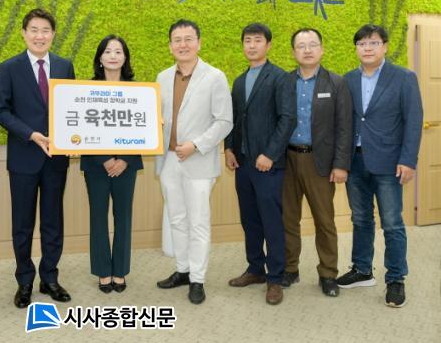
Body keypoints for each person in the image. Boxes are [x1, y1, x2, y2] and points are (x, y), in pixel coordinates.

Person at [0, 8, 75, 308]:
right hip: (24, 157)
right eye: (34, 30)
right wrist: (31, 134)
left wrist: (74, 138)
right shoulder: (9, 68)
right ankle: (25, 281)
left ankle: (50, 277)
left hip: (56, 158)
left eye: (45, 30)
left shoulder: (65, 66)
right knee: (23, 224)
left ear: (53, 34)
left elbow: (72, 107)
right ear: (24, 33)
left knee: (53, 221)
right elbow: (0, 110)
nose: (40, 36)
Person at [336, 24, 423, 308]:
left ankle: (396, 279)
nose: (367, 48)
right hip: (355, 161)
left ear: (384, 46)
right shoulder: (348, 79)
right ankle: (362, 269)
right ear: (356, 49)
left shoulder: (404, 77)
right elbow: (345, 122)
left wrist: (408, 160)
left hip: (389, 162)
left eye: (373, 43)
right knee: (360, 219)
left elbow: (413, 121)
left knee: (392, 223)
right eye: (362, 44)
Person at [155, 19, 233, 305]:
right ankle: (183, 269)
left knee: (198, 221)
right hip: (168, 159)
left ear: (199, 43)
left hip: (198, 160)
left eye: (188, 39)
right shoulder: (162, 77)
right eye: (177, 40)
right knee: (176, 217)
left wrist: (196, 145)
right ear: (170, 46)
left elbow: (224, 121)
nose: (183, 44)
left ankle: (198, 279)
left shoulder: (214, 77)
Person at [224, 22, 296, 305]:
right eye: (247, 40)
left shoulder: (280, 78)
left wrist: (270, 154)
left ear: (268, 45)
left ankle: (275, 277)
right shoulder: (239, 80)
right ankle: (255, 269)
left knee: (271, 221)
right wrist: (229, 148)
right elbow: (233, 119)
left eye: (257, 40)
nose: (251, 45)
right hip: (243, 164)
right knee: (250, 219)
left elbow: (287, 119)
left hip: (268, 165)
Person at [280, 28, 352, 297]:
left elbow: (345, 126)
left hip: (319, 161)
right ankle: (290, 268)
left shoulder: (336, 83)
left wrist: (341, 164)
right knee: (288, 218)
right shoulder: (284, 82)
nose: (307, 50)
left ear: (321, 49)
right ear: (293, 52)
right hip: (286, 160)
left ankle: (328, 273)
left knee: (324, 220)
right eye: (301, 46)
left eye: (312, 44)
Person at [80, 35, 143, 294]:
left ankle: (120, 271)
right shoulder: (86, 90)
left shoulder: (139, 90)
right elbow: (82, 127)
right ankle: (103, 271)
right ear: (100, 58)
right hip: (96, 165)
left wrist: (124, 159)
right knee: (98, 217)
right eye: (107, 51)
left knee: (123, 217)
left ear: (125, 58)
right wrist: (105, 158)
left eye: (118, 51)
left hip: (127, 164)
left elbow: (143, 128)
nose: (113, 56)